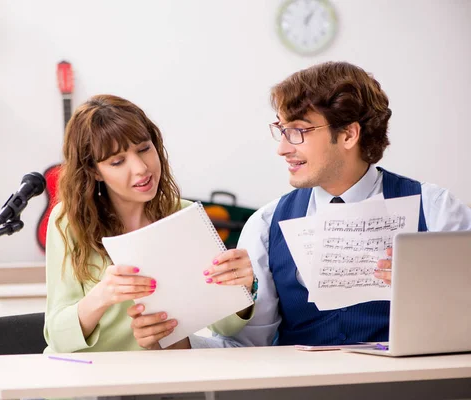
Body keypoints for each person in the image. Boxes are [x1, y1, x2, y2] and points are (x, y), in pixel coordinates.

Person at [128, 61, 471, 349]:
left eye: (299, 131)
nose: (282, 148)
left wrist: (430, 296)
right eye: (282, 130)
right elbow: (248, 346)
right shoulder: (265, 225)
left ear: (349, 135)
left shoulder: (436, 209)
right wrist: (174, 338)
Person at [43, 94, 254, 354]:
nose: (141, 168)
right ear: (94, 171)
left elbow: (226, 328)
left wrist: (241, 288)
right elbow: (57, 338)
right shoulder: (68, 221)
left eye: (144, 148)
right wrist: (102, 295)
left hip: (156, 379)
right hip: (84, 379)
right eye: (117, 162)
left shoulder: (184, 215)